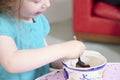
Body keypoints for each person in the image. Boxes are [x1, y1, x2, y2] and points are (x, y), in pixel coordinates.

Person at [0, 0, 86, 80]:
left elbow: (44, 54)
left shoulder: (39, 20)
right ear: (9, 1)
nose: (47, 4)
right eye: (37, 1)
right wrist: (61, 49)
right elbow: (11, 62)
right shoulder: (3, 25)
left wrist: (64, 60)